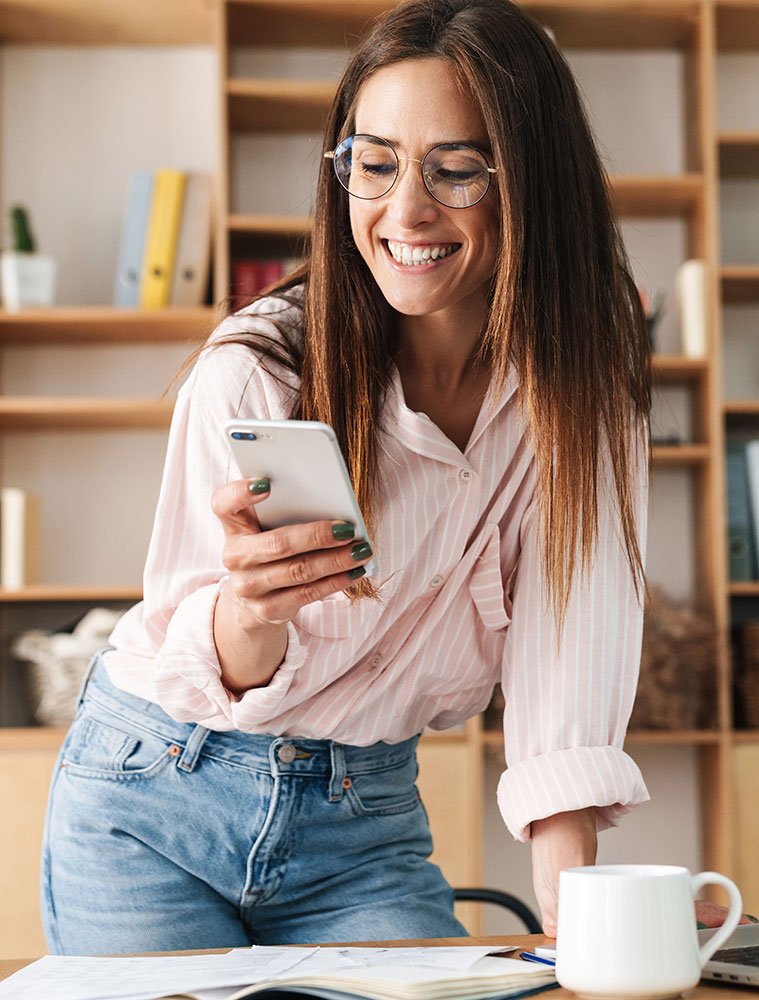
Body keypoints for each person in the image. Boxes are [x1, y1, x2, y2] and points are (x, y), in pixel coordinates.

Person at [42, 0, 654, 954]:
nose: (405, 212)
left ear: (535, 184)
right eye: (374, 164)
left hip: (358, 823)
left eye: (455, 170)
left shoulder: (583, 409)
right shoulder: (256, 374)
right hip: (152, 798)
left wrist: (592, 938)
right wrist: (252, 613)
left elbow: (566, 669)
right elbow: (217, 672)